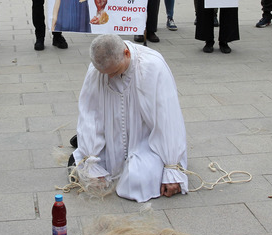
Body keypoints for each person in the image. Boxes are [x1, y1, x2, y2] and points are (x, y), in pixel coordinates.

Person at [71, 34, 188, 202]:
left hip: (146, 141)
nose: (110, 77)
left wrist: (172, 167)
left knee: (135, 181)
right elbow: (89, 113)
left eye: (115, 71)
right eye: (105, 74)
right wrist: (91, 158)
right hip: (111, 137)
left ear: (127, 54)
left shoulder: (152, 66)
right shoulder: (96, 70)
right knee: (81, 167)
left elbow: (168, 119)